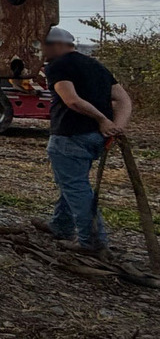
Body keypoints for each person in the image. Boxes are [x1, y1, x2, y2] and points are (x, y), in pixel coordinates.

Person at [36, 26, 133, 251]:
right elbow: (124, 100)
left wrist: (103, 121)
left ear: (56, 45)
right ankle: (60, 226)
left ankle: (92, 242)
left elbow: (72, 101)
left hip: (70, 136)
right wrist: (116, 127)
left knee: (76, 188)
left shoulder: (59, 66)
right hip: (94, 139)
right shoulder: (96, 65)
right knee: (71, 182)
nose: (41, 51)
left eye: (43, 46)